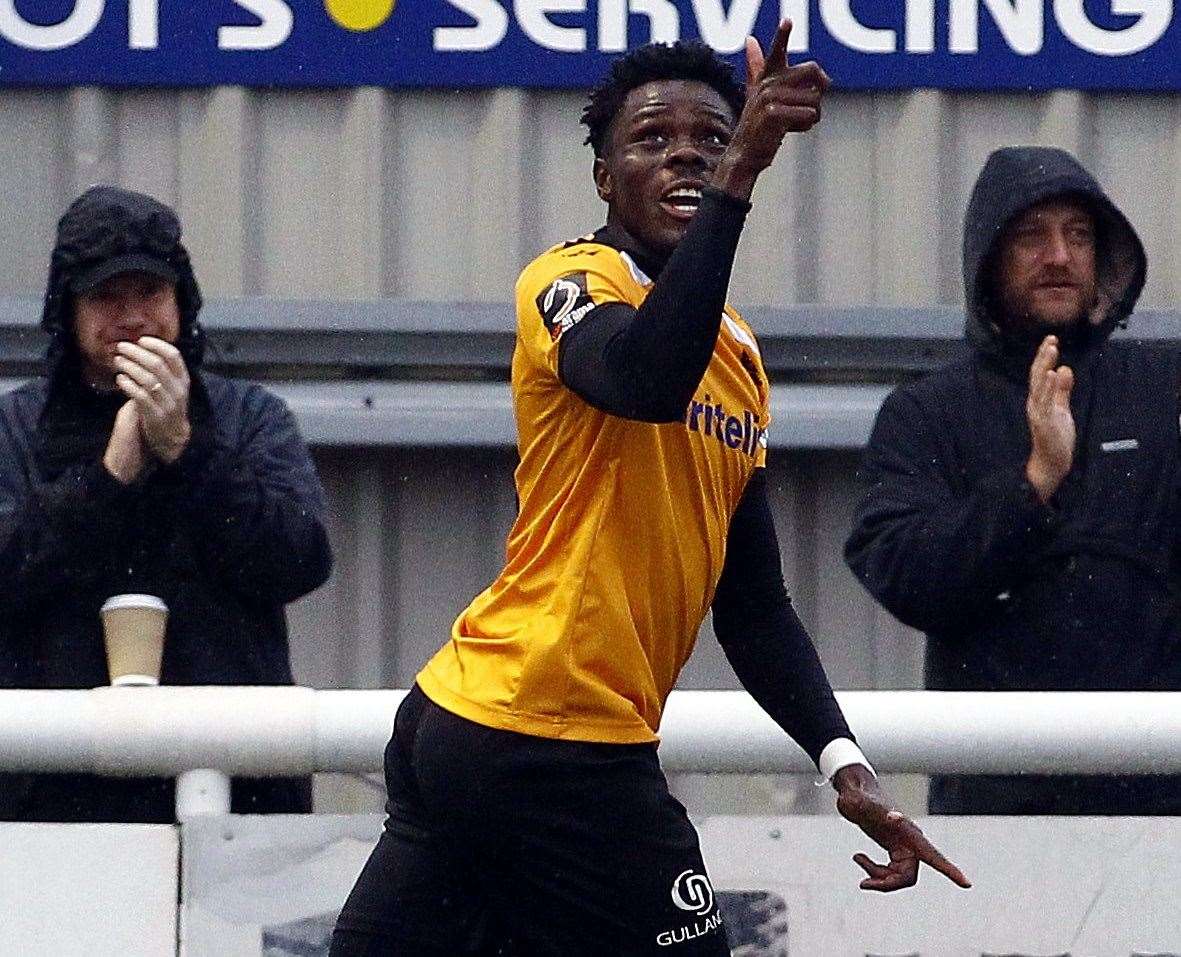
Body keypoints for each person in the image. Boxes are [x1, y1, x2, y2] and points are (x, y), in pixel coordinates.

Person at [332, 24, 968, 957]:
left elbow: (751, 603)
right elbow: (639, 379)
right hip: (542, 734)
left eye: (712, 138)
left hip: (492, 735)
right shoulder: (567, 280)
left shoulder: (740, 355)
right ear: (603, 178)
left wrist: (843, 762)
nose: (686, 154)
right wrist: (739, 177)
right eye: (651, 138)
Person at [844, 145, 1181, 815]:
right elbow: (902, 572)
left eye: (1078, 235)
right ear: (987, 257)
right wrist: (1033, 483)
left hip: (1160, 799)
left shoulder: (1162, 387)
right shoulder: (926, 412)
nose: (1058, 255)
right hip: (995, 802)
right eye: (1031, 235)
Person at [0, 185, 333, 822]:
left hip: (237, 799)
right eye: (106, 297)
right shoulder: (14, 429)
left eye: (150, 293)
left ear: (182, 301)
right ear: (66, 311)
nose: (132, 317)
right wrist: (109, 476)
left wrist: (186, 452)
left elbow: (299, 559)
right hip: (51, 807)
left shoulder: (248, 418)